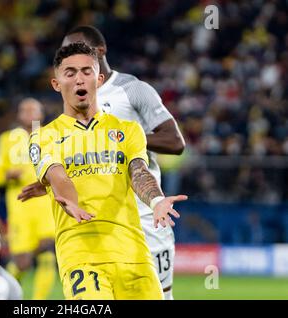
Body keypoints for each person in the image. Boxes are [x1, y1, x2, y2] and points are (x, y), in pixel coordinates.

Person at [19, 25, 186, 300]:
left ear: (99, 77)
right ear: (56, 83)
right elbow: (58, 175)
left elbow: (140, 169)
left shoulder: (130, 116)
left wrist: (156, 200)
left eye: (86, 71)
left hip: (138, 234)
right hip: (83, 249)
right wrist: (66, 196)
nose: (79, 79)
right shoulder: (45, 136)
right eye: (70, 73)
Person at [0, 98, 56, 300]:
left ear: (41, 114)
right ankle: (4, 295)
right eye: (24, 110)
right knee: (22, 263)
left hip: (47, 207)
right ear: (18, 115)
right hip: (20, 207)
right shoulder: (7, 139)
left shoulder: (52, 136)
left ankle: (38, 303)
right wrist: (7, 174)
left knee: (47, 254)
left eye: (33, 110)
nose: (29, 114)